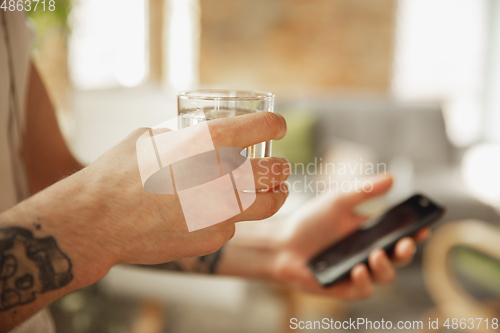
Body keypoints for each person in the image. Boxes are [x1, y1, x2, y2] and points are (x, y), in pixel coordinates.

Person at [0, 11, 428, 333]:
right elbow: (91, 220)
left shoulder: (14, 23)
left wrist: (276, 249)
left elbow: (50, 181)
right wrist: (101, 215)